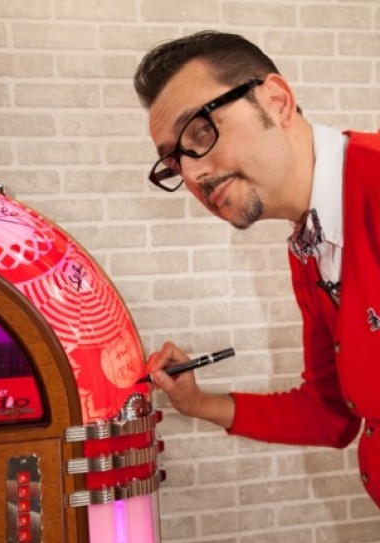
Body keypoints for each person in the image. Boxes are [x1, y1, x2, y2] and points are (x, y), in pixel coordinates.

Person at [133, 30, 380, 507]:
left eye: (201, 132)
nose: (193, 175)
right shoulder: (309, 244)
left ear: (277, 101)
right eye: (174, 163)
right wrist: (198, 403)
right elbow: (329, 415)